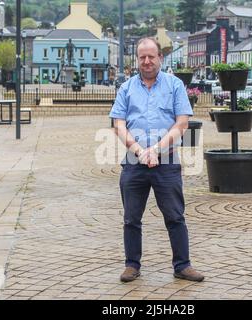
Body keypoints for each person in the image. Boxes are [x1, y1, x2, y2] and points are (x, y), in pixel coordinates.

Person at [109, 37, 204, 283]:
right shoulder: (126, 88)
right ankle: (132, 265)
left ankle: (182, 266)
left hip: (167, 162)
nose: (147, 61)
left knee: (175, 216)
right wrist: (140, 151)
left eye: (152, 56)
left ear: (160, 57)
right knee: (131, 218)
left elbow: (181, 123)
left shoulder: (174, 86)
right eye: (142, 57)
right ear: (137, 60)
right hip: (133, 162)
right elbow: (118, 124)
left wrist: (156, 150)